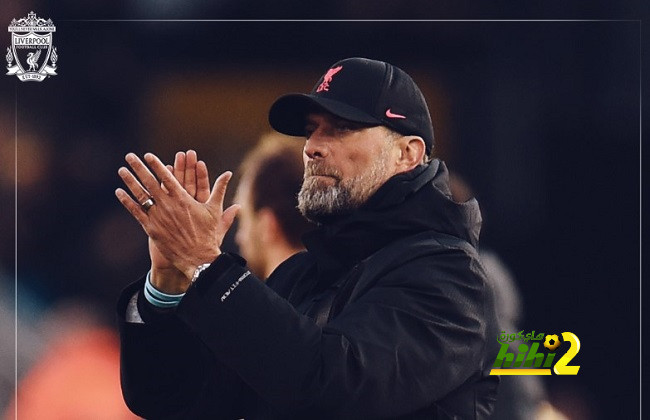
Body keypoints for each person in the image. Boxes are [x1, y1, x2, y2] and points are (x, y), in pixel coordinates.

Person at [115, 57, 500, 419]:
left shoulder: (449, 276)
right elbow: (172, 398)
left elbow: (336, 386)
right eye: (311, 130)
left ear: (407, 154)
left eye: (341, 128)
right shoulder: (299, 275)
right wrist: (168, 283)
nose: (312, 146)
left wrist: (205, 262)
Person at [233, 133, 314, 280]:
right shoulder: (345, 288)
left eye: (243, 219)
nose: (239, 238)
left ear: (267, 225)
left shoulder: (249, 295)